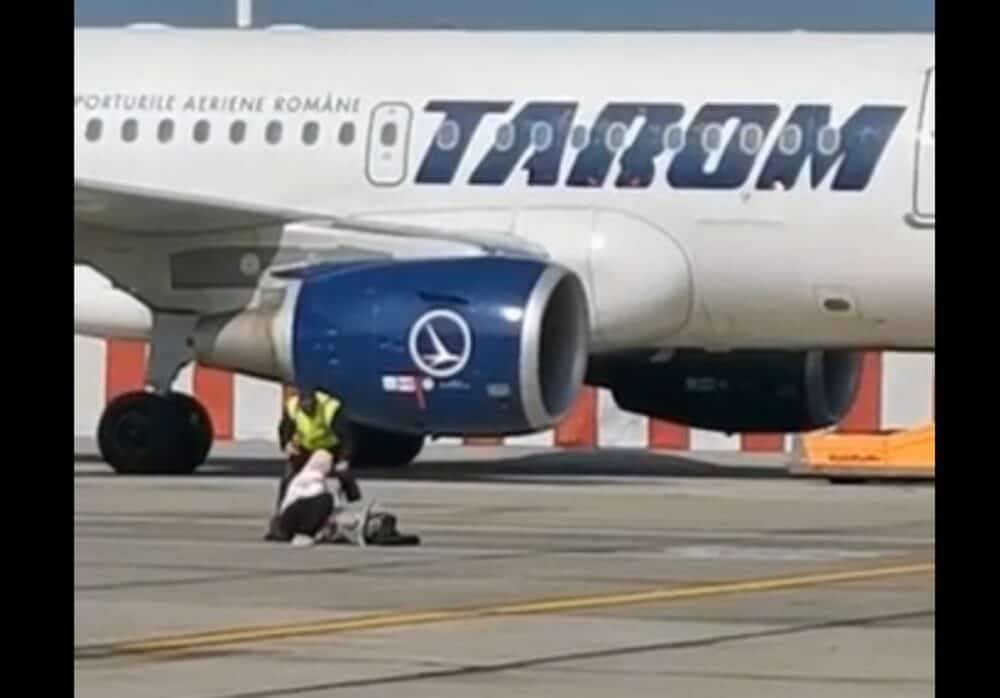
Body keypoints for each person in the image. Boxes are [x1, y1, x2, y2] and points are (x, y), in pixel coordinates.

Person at [264, 386, 360, 541]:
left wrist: (344, 459)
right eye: (304, 405)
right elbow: (284, 428)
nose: (307, 408)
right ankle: (281, 514)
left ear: (315, 401)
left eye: (310, 404)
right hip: (306, 447)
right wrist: (287, 443)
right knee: (288, 475)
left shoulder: (330, 408)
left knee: (344, 475)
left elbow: (346, 437)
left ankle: (355, 507)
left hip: (331, 446)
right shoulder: (293, 406)